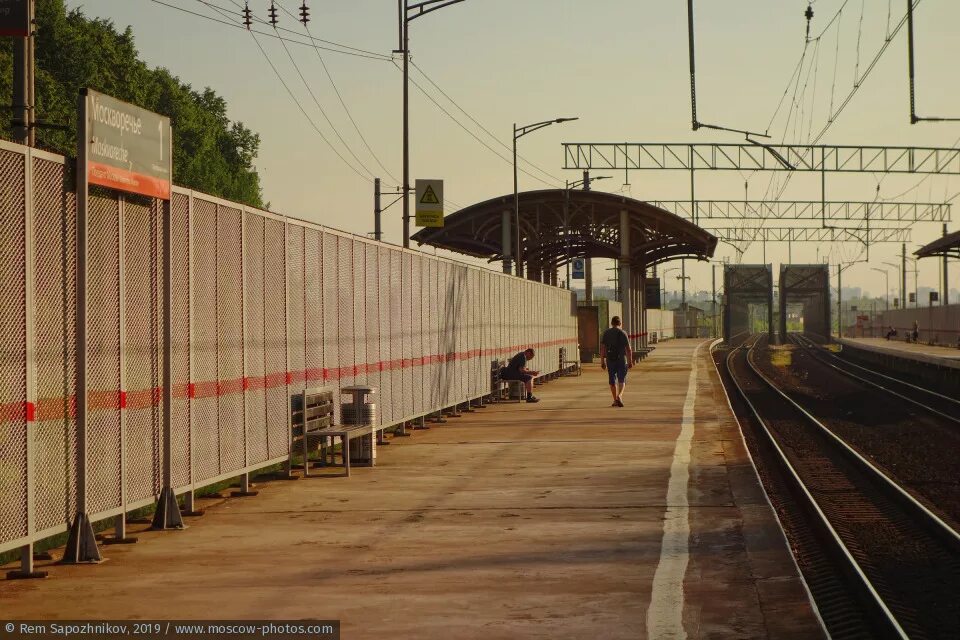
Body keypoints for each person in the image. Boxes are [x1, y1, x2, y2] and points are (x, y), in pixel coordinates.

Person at [600, 316, 633, 407]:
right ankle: (620, 396)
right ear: (620, 323)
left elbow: (602, 348)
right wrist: (630, 361)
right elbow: (628, 349)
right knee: (622, 379)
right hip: (622, 359)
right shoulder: (623, 333)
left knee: (612, 380)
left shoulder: (606, 333)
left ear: (611, 323)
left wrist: (602, 361)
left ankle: (615, 400)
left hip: (610, 360)